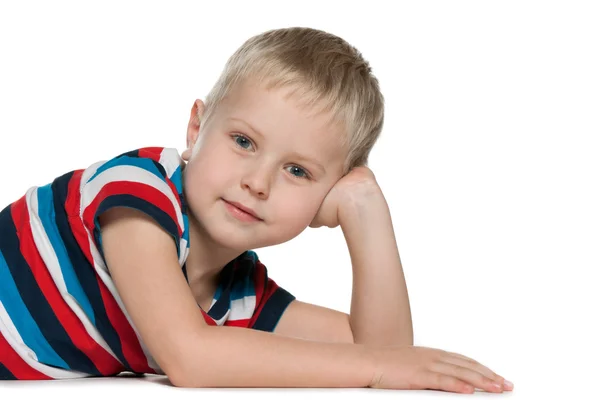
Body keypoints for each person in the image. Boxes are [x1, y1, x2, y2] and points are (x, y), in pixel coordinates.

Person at [0, 27, 513, 393]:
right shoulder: (134, 192)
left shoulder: (241, 296)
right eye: (243, 141)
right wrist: (376, 368)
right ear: (196, 129)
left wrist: (367, 213)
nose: (257, 182)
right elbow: (190, 356)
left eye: (299, 171)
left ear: (327, 193)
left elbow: (387, 351)